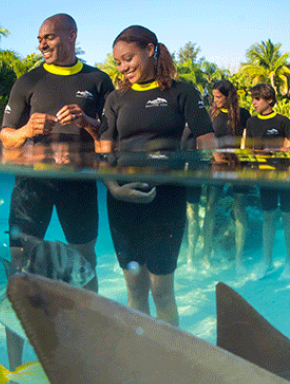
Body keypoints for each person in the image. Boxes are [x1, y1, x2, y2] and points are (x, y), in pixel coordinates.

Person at [0, 13, 114, 384]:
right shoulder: (28, 81)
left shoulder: (98, 81)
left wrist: (88, 122)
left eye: (48, 37)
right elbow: (6, 138)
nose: (41, 44)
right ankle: (14, 379)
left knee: (86, 264)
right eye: (38, 38)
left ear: (71, 35)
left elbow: (110, 138)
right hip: (32, 185)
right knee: (18, 271)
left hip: (78, 185)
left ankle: (87, 355)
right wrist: (27, 131)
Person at [99, 25, 215, 327]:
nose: (123, 68)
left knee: (162, 291)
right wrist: (113, 189)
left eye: (128, 58)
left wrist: (194, 168)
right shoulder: (114, 99)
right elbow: (103, 154)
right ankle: (143, 356)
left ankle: (171, 360)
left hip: (167, 200)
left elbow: (207, 143)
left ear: (150, 49)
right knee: (135, 289)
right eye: (118, 62)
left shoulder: (182, 91)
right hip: (122, 202)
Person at [244, 83, 290, 281]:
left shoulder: (283, 120)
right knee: (267, 217)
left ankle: (289, 263)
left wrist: (282, 150)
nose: (254, 102)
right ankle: (267, 262)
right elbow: (248, 150)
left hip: (285, 176)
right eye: (253, 98)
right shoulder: (251, 122)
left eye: (257, 98)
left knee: (286, 216)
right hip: (264, 176)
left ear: (269, 99)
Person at [210, 80, 251, 272]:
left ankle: (239, 259)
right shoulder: (212, 115)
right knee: (210, 206)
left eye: (219, 96)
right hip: (217, 166)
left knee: (239, 209)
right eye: (214, 96)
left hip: (238, 167)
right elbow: (205, 141)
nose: (215, 100)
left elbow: (249, 143)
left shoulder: (244, 115)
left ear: (229, 97)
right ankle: (205, 254)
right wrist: (215, 157)